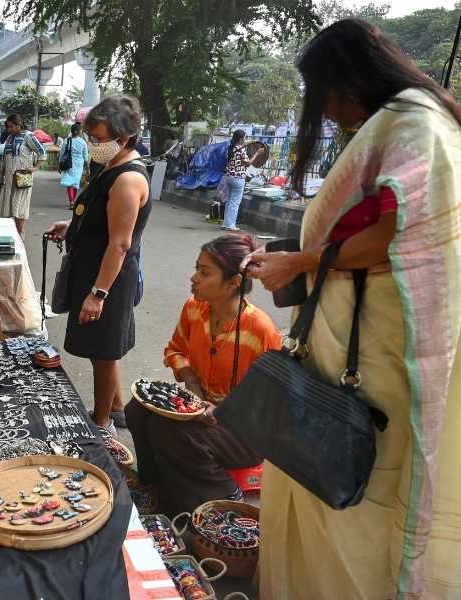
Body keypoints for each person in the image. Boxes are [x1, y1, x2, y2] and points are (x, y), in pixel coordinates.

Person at [239, 19, 461, 599]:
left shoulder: (414, 124)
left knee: (352, 487)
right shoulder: (414, 120)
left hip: (375, 349)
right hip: (350, 336)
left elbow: (398, 238)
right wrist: (301, 260)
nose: (330, 114)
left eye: (325, 97)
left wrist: (304, 262)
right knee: (313, 470)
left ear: (347, 82)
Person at [126, 234, 281, 515]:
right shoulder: (195, 308)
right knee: (137, 410)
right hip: (199, 405)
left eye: (204, 272)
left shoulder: (261, 331)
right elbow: (175, 349)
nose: (194, 278)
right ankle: (156, 485)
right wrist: (192, 382)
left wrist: (221, 410)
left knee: (172, 433)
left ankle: (222, 497)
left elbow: (269, 404)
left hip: (245, 430)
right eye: (197, 268)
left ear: (234, 282)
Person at [45, 95, 151, 436]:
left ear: (124, 138)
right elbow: (100, 218)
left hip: (108, 278)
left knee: (103, 352)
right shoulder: (111, 166)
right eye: (90, 136)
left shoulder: (127, 180)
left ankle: (103, 425)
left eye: (99, 138)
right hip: (94, 269)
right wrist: (72, 225)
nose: (92, 143)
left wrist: (98, 293)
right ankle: (116, 408)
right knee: (102, 351)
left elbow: (120, 243)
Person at [0, 114, 46, 237]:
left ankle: (20, 234)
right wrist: (2, 172)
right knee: (9, 206)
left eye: (11, 126)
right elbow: (6, 157)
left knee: (20, 206)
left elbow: (41, 151)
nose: (8, 129)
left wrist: (36, 167)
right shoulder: (9, 138)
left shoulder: (28, 136)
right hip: (9, 178)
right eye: (7, 127)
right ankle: (13, 234)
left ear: (18, 125)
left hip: (22, 177)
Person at [218, 129, 265, 232]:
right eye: (244, 138)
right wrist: (257, 153)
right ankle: (231, 225)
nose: (245, 140)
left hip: (229, 177)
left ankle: (226, 223)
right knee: (235, 203)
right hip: (238, 178)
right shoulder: (241, 150)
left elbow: (243, 146)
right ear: (240, 139)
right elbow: (248, 163)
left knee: (229, 202)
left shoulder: (231, 148)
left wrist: (251, 142)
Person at [58, 123, 89, 209]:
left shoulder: (66, 141)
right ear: (79, 132)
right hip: (79, 164)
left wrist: (59, 164)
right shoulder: (83, 142)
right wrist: (87, 168)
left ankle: (71, 201)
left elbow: (61, 154)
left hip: (68, 164)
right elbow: (85, 156)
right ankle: (73, 201)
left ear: (71, 131)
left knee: (69, 183)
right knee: (76, 182)